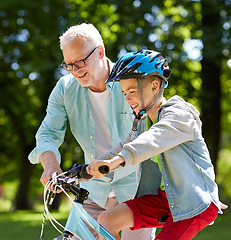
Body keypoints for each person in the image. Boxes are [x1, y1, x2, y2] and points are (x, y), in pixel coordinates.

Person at [28, 23, 155, 239]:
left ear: (101, 52)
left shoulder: (133, 83)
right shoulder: (65, 88)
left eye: (80, 62)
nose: (76, 71)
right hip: (94, 189)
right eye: (69, 64)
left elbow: (154, 136)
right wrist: (50, 165)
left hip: (135, 189)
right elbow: (48, 133)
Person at [87, 49, 223, 240]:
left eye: (132, 91)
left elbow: (152, 140)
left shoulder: (178, 115)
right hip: (165, 199)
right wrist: (86, 170)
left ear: (154, 86)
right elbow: (120, 147)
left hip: (193, 202)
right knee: (106, 219)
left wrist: (118, 161)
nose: (127, 99)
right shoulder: (142, 122)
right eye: (125, 92)